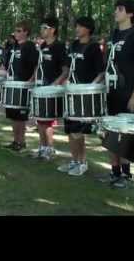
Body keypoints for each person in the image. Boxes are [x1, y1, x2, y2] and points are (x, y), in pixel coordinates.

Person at [100, 0, 134, 188]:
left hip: (128, 94)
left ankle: (127, 176)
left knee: (125, 137)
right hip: (111, 93)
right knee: (110, 135)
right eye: (116, 9)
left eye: (119, 9)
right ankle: (114, 172)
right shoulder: (113, 35)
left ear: (130, 14)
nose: (115, 12)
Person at [57, 16, 105, 176]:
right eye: (76, 26)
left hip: (83, 94)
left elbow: (101, 72)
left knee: (78, 131)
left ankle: (82, 162)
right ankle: (74, 161)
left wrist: (90, 88)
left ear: (88, 29)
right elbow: (68, 68)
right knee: (70, 129)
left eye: (80, 26)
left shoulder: (94, 48)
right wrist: (64, 81)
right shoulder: (74, 45)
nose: (76, 29)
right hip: (70, 91)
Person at [33, 16, 69, 160]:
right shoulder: (42, 47)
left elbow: (65, 70)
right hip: (41, 86)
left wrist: (55, 85)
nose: (41, 30)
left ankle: (50, 149)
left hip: (52, 88)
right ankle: (42, 148)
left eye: (44, 27)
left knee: (47, 121)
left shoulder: (59, 47)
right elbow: (38, 66)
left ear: (53, 30)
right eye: (41, 27)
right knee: (39, 119)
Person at [3, 21, 39, 152]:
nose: (16, 33)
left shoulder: (29, 46)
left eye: (19, 31)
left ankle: (22, 142)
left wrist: (31, 80)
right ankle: (15, 141)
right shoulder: (13, 46)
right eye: (15, 30)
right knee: (13, 115)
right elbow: (9, 65)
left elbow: (36, 65)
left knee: (21, 117)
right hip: (12, 84)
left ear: (26, 32)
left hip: (23, 85)